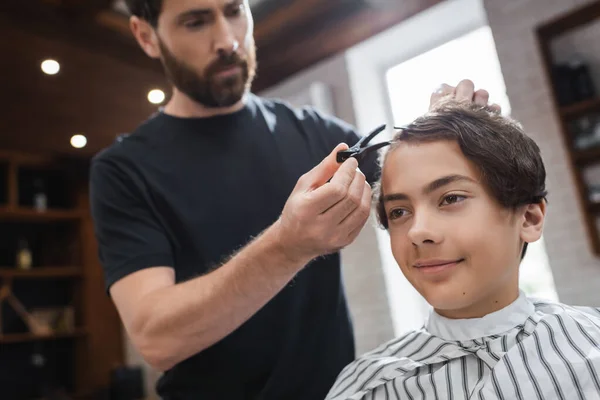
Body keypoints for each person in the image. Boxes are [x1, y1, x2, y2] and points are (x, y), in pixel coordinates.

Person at [89, 0, 496, 398]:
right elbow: (157, 339)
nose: (227, 40)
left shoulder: (317, 133)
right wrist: (288, 245)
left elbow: (419, 194)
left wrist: (450, 138)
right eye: (196, 22)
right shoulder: (124, 171)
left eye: (234, 12)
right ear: (147, 36)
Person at [325, 100, 600, 400]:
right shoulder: (364, 390)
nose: (418, 232)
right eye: (399, 212)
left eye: (451, 198)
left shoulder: (592, 346)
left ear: (530, 219)